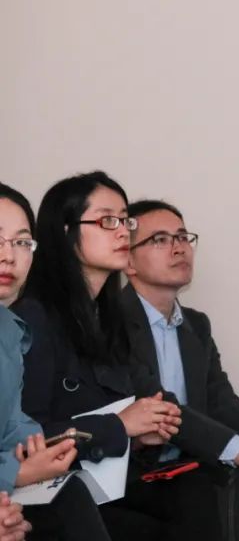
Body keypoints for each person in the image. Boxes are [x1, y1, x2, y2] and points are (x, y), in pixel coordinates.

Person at [12, 172, 200, 540]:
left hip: (101, 487)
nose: (122, 233)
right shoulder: (34, 318)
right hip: (47, 493)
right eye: (106, 221)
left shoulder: (109, 320)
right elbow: (24, 437)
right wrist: (119, 426)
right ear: (66, 232)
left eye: (125, 221)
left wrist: (141, 435)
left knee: (199, 498)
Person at [121, 199, 239, 541]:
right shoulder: (111, 322)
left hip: (188, 466)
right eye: (160, 240)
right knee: (220, 489)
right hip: (133, 472)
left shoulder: (197, 325)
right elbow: (162, 407)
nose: (178, 248)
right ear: (128, 260)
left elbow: (222, 402)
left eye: (182, 237)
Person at [1, 181, 112, 541]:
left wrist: (39, 453)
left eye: (21, 242)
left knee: (67, 492)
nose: (9, 255)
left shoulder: (10, 330)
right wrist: (16, 473)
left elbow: (15, 427)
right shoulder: (34, 316)